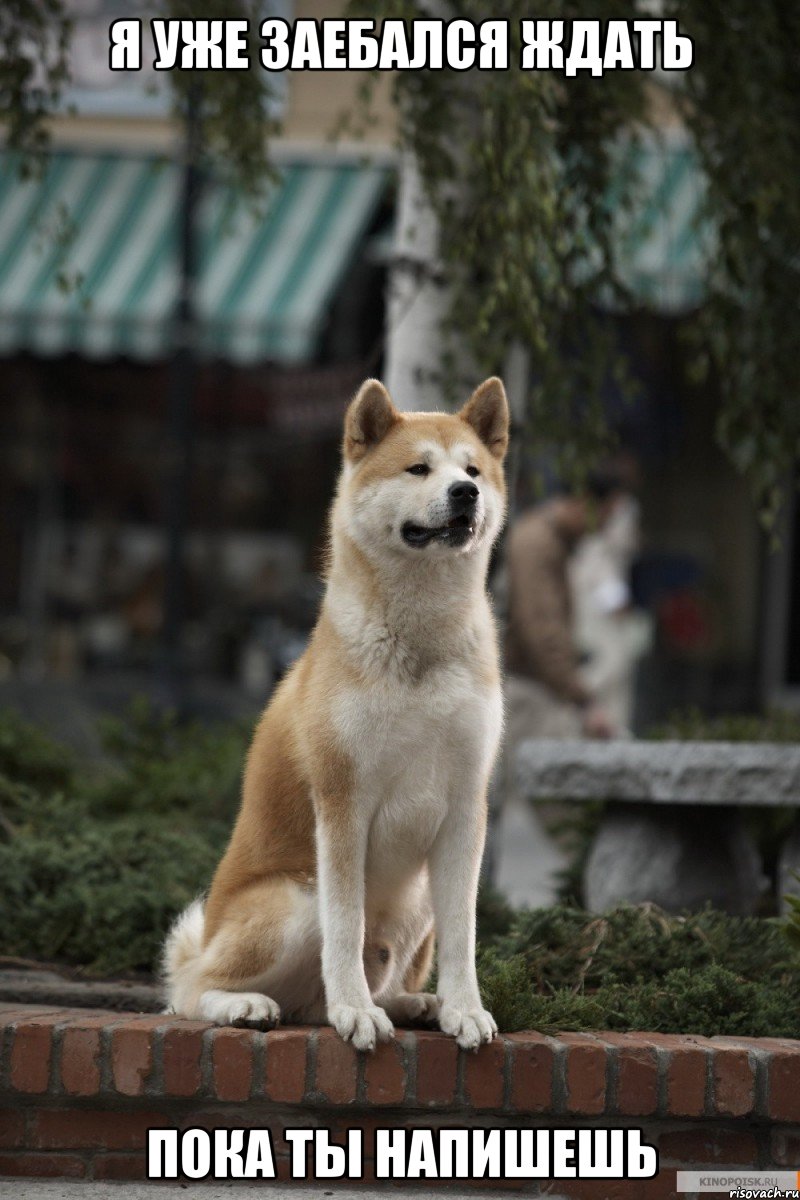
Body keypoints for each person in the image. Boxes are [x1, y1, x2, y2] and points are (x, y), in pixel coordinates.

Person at [504, 470, 627, 743]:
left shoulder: (551, 541)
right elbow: (542, 630)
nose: (605, 527)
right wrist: (583, 701)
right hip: (527, 691)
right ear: (586, 502)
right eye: (606, 515)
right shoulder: (538, 544)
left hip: (537, 687)